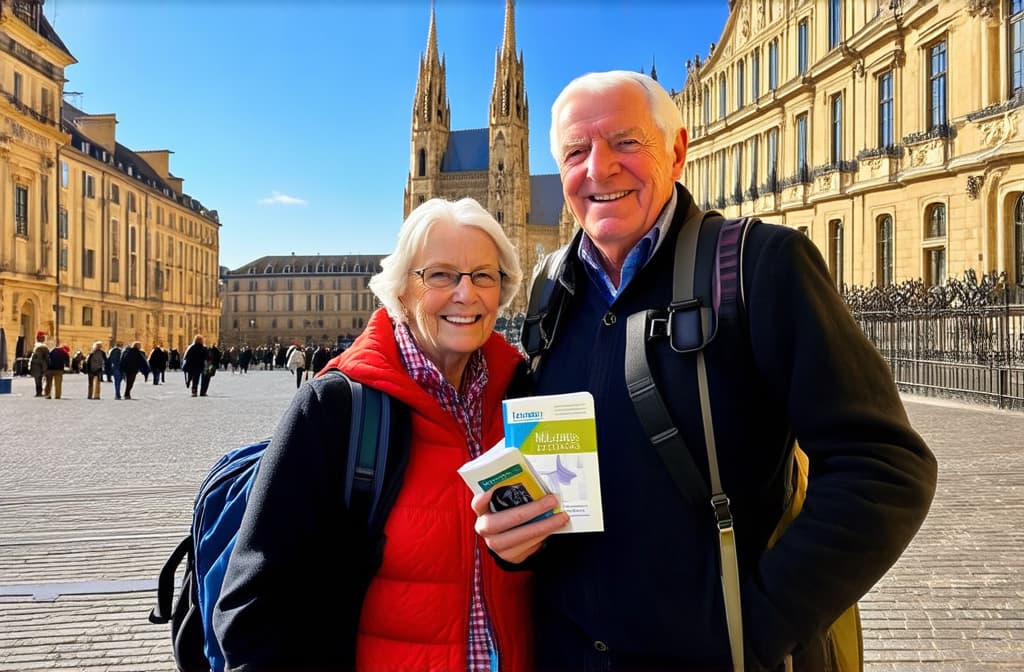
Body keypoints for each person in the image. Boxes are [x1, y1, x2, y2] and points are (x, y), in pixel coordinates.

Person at [471, 71, 938, 671]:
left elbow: (886, 468)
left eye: (626, 142)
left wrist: (760, 624)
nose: (599, 168)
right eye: (576, 152)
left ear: (677, 150)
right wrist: (517, 539)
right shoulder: (548, 291)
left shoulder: (760, 266)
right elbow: (561, 476)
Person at [214, 197, 534, 671]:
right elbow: (254, 610)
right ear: (401, 289)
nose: (466, 294)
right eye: (440, 275)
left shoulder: (526, 395)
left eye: (484, 276)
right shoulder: (337, 408)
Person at [28, 331, 48, 397]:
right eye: (43, 337)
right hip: (39, 366)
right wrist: (45, 366)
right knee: (39, 380)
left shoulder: (36, 346)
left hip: (36, 366)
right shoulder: (42, 347)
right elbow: (44, 358)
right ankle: (39, 392)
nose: (44, 338)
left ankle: (38, 392)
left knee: (38, 380)